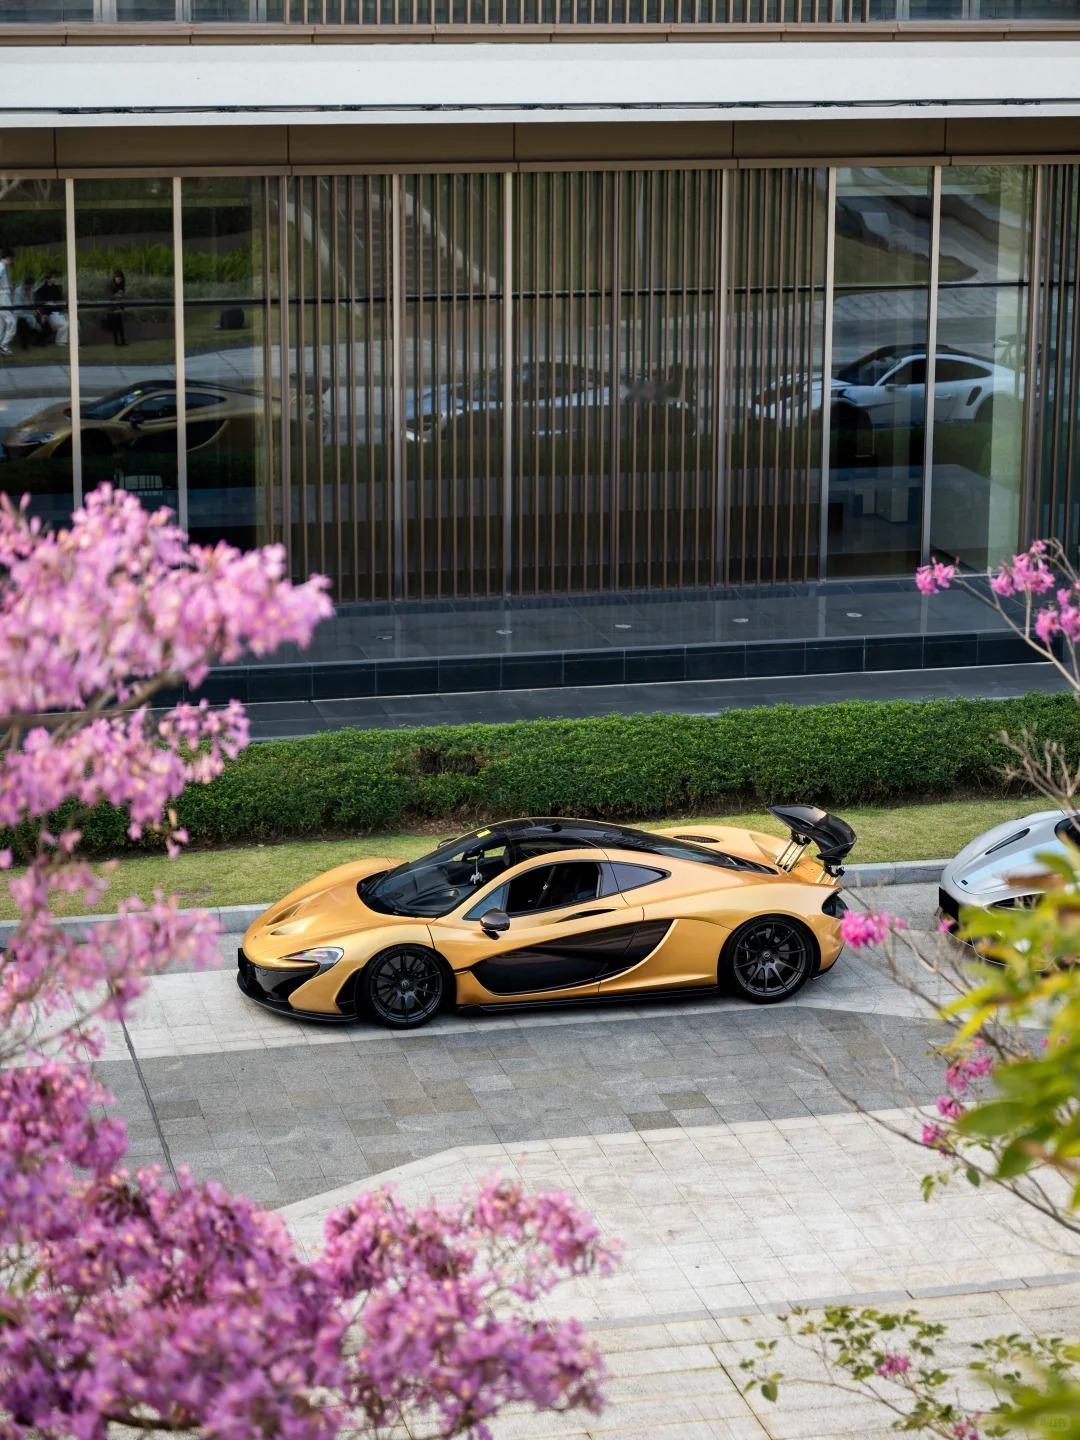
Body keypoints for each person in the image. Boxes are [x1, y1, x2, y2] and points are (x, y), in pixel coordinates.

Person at [33, 271, 69, 347]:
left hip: (59, 312)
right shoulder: (41, 290)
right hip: (50, 313)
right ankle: (60, 342)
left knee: (75, 323)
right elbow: (39, 304)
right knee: (64, 324)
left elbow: (61, 301)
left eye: (55, 277)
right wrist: (43, 314)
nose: (55, 279)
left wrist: (64, 311)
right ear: (47, 279)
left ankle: (73, 342)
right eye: (53, 278)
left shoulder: (56, 288)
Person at [0, 248, 16, 356]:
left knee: (1, 324)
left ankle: (2, 345)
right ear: (9, 258)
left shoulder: (2, 267)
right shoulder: (1, 266)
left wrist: (8, 287)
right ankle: (4, 345)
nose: (12, 262)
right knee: (12, 322)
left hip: (3, 295)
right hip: (2, 297)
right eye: (12, 259)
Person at [104, 270, 126, 346]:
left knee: (120, 325)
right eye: (118, 279)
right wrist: (116, 295)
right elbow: (108, 296)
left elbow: (122, 296)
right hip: (112, 308)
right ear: (115, 278)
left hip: (118, 307)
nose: (119, 280)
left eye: (120, 279)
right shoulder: (110, 285)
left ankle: (123, 341)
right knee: (115, 325)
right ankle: (116, 342)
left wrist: (122, 306)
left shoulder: (121, 285)